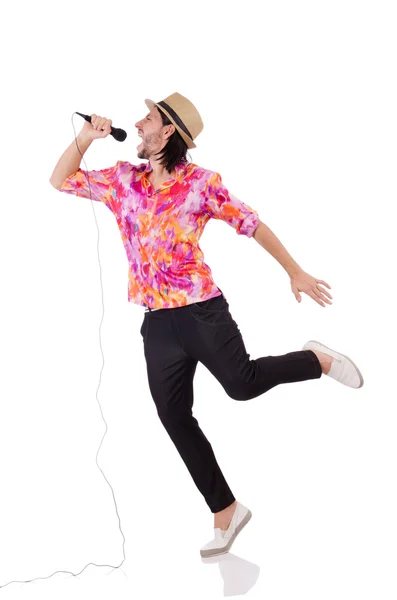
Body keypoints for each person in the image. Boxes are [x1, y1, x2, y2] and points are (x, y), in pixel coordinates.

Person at [49, 92, 364, 558]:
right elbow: (60, 180)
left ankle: (315, 360)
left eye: (148, 118)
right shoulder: (122, 181)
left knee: (242, 384)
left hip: (202, 312)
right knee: (173, 416)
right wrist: (86, 136)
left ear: (168, 130)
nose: (137, 125)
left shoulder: (200, 184)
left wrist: (294, 271)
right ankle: (226, 510)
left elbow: (251, 222)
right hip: (157, 325)